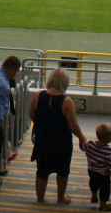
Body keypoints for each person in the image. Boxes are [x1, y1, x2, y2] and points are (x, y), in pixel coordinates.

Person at [29, 68, 87, 204]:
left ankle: (40, 198)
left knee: (42, 170)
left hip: (42, 141)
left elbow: (32, 114)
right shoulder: (67, 102)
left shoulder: (38, 95)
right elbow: (73, 126)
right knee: (63, 171)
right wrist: (82, 138)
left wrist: (42, 125)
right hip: (62, 143)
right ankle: (60, 198)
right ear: (65, 83)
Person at [80, 122, 111, 211]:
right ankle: (102, 205)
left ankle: (94, 195)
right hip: (104, 175)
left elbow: (82, 147)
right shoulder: (109, 151)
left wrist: (81, 139)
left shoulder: (90, 144)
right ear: (110, 139)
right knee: (105, 190)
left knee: (93, 183)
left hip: (92, 171)